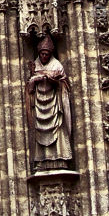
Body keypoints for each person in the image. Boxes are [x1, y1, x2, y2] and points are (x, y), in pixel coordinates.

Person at [26, 32, 73, 168]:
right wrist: (34, 79)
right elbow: (29, 88)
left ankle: (60, 159)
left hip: (54, 105)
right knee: (39, 133)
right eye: (42, 54)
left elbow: (63, 83)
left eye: (46, 54)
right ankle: (41, 161)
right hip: (40, 105)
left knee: (58, 130)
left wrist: (50, 78)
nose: (44, 56)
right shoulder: (35, 65)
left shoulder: (56, 65)